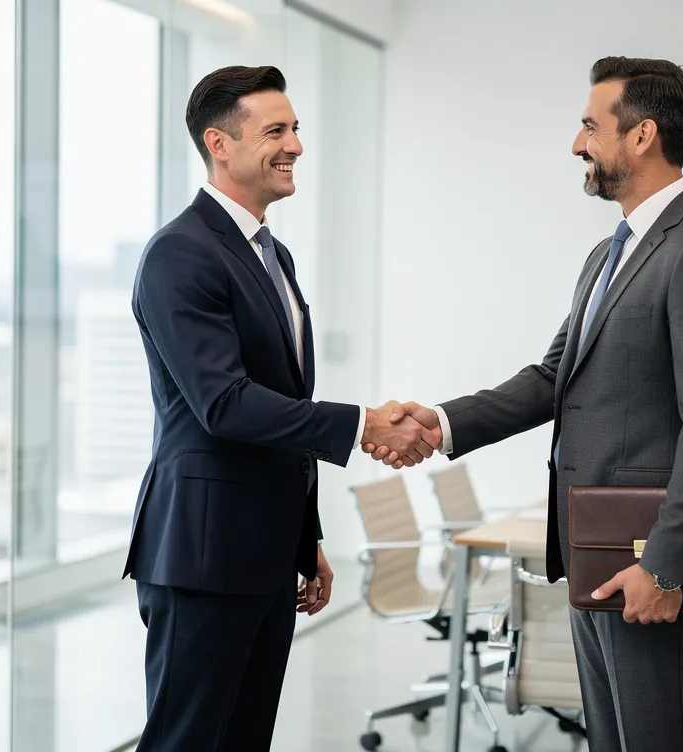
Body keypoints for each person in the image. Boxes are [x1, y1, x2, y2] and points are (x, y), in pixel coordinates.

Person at [366, 56, 683, 750]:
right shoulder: (609, 255)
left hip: (650, 563)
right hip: (594, 555)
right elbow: (555, 378)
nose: (577, 144)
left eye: (588, 125)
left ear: (640, 136)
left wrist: (666, 565)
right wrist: (444, 421)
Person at [124, 65, 441, 752]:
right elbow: (225, 403)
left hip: (264, 554)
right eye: (276, 130)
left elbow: (281, 404)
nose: (296, 144)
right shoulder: (180, 254)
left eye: (296, 128)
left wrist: (305, 538)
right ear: (220, 144)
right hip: (202, 557)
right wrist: (362, 423)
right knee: (186, 740)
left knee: (243, 741)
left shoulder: (273, 254)